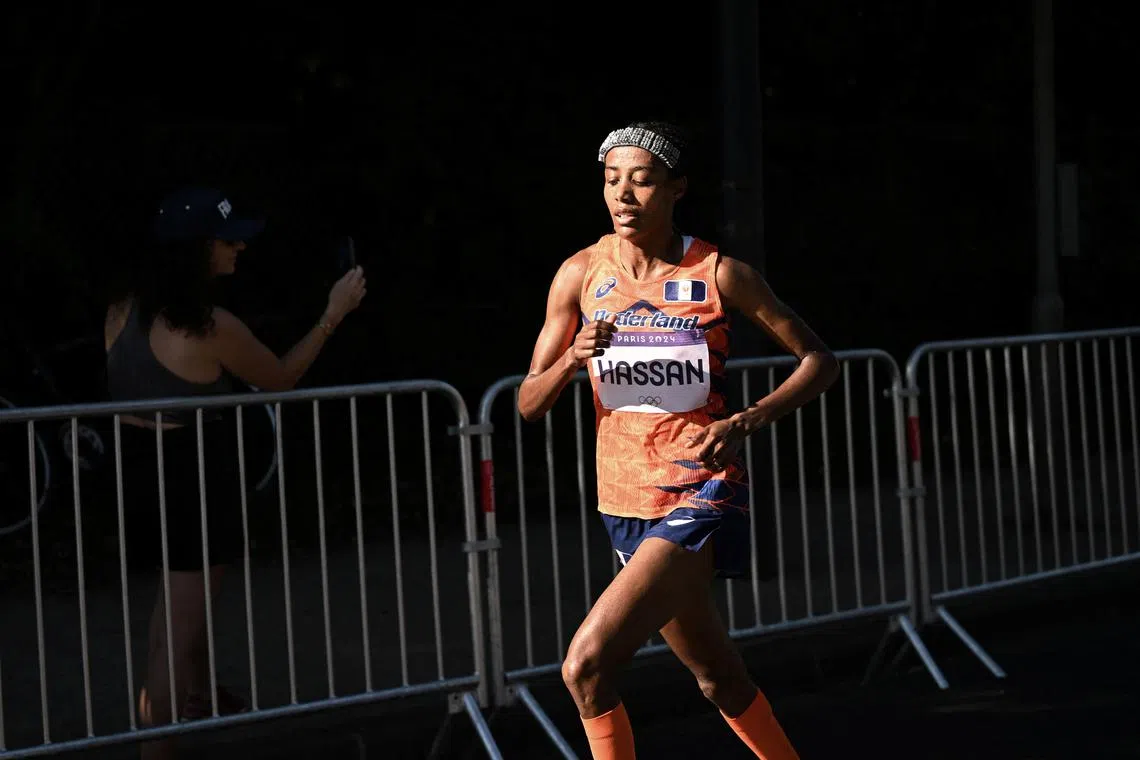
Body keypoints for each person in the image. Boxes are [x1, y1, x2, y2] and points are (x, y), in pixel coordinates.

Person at [517, 122, 839, 759]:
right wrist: (570, 361)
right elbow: (529, 402)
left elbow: (819, 360)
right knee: (719, 677)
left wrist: (749, 418)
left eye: (642, 180)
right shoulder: (581, 273)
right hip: (622, 502)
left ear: (676, 188)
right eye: (612, 180)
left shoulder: (720, 273)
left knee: (585, 667)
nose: (624, 195)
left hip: (697, 495)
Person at [104, 186, 366, 758]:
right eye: (228, 241)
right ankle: (161, 746)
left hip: (141, 475)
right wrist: (332, 315)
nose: (239, 250)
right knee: (173, 637)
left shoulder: (121, 312)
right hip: (192, 478)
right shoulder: (207, 324)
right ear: (196, 251)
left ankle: (197, 700)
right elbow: (279, 377)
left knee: (169, 620)